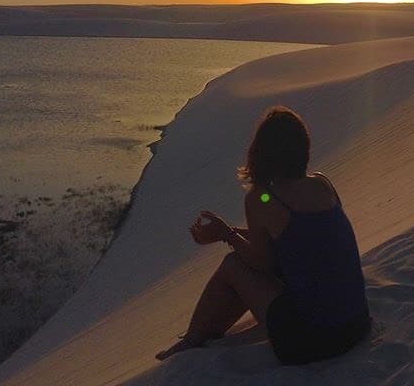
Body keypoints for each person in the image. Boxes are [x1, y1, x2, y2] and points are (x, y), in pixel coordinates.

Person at [156, 105, 372, 365]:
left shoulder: (263, 199)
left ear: (262, 152)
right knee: (251, 266)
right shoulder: (322, 183)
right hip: (356, 324)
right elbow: (297, 239)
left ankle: (191, 342)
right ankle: (201, 335)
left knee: (234, 265)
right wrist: (231, 232)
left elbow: (261, 262)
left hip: (313, 341)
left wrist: (227, 234)